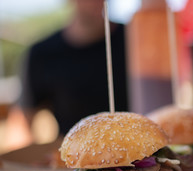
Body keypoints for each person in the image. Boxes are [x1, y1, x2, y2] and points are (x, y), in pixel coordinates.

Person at [19, 0, 128, 136]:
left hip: (142, 152)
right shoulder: (42, 53)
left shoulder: (136, 38)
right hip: (71, 153)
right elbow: (23, 119)